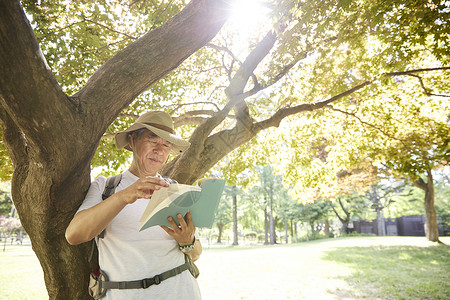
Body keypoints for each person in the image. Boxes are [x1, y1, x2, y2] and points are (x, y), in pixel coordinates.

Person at [65, 111, 202, 299]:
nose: (159, 150)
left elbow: (196, 253)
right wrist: (124, 196)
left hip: (181, 291)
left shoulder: (175, 189)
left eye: (166, 145)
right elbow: (74, 235)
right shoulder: (106, 187)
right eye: (153, 141)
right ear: (132, 140)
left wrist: (188, 242)